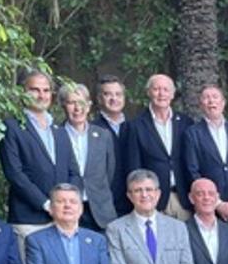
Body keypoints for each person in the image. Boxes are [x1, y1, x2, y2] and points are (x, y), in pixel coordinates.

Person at [0, 70, 79, 264]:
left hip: (60, 219)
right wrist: (46, 203)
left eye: (45, 90)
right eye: (35, 89)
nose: (41, 95)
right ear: (24, 92)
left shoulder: (60, 130)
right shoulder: (11, 127)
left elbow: (73, 172)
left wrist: (68, 204)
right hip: (29, 218)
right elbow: (15, 174)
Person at [123, 73, 193, 219]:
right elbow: (134, 167)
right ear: (148, 92)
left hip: (183, 198)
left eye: (166, 90)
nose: (161, 94)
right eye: (156, 89)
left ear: (173, 94)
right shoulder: (135, 126)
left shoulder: (186, 123)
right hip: (153, 200)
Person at [183, 85, 228, 224]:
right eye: (206, 98)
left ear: (223, 102)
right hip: (208, 209)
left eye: (215, 97)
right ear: (201, 104)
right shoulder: (192, 133)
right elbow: (192, 171)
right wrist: (218, 204)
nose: (211, 101)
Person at [59, 83, 119, 231]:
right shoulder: (56, 135)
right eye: (72, 103)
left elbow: (109, 172)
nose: (77, 108)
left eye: (81, 103)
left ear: (89, 105)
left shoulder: (103, 135)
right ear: (63, 106)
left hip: (100, 211)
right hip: (67, 210)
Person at [91, 75, 130, 214]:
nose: (114, 99)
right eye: (107, 94)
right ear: (99, 99)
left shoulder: (134, 127)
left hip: (135, 203)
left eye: (118, 94)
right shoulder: (91, 130)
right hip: (106, 206)